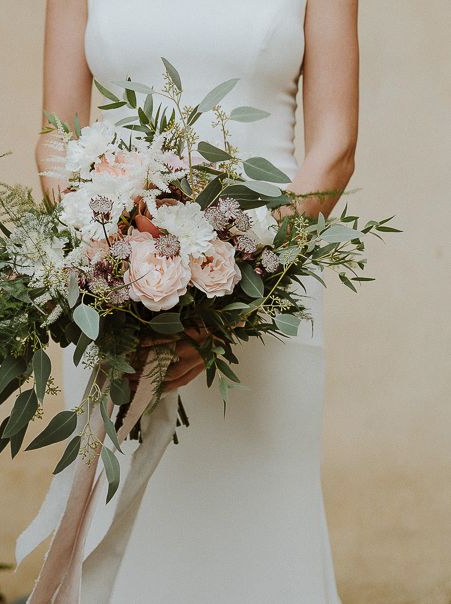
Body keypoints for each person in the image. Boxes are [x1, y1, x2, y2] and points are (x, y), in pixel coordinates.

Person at [36, 0, 358, 601]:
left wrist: (235, 292)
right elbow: (58, 139)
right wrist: (107, 264)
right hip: (115, 305)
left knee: (259, 537)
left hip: (270, 297)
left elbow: (334, 151)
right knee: (124, 541)